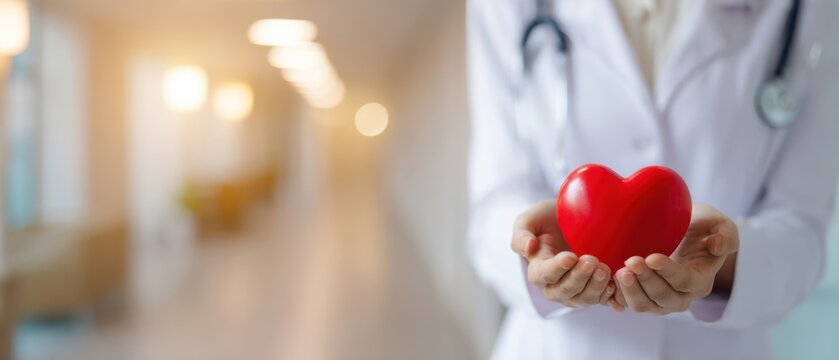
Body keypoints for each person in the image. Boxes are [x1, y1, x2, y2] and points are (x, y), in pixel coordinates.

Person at [466, 0, 839, 359]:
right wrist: (535, 256)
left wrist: (722, 264)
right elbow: (492, 207)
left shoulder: (807, 8)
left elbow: (802, 227)